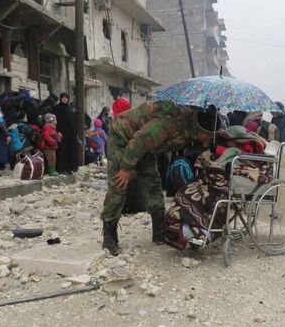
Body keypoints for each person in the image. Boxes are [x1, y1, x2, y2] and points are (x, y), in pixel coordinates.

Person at [100, 101, 220, 255]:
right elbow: (140, 140)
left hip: (145, 147)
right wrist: (126, 168)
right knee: (119, 185)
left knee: (153, 184)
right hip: (123, 137)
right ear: (199, 128)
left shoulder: (191, 130)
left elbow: (180, 144)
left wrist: (206, 144)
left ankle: (159, 232)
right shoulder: (169, 123)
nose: (209, 139)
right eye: (209, 136)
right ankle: (110, 236)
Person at [53, 93, 77, 174]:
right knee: (62, 151)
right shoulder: (56, 108)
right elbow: (55, 121)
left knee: (70, 150)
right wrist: (58, 131)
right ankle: (61, 169)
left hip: (70, 133)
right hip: (61, 133)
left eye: (66, 98)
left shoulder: (69, 109)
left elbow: (73, 121)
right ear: (60, 98)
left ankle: (70, 168)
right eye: (63, 97)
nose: (64, 99)